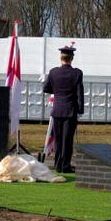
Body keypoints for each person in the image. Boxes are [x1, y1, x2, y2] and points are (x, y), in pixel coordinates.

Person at [42, 43, 84, 173]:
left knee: (58, 140)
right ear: (72, 58)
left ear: (61, 57)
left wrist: (57, 90)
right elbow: (79, 93)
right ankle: (65, 166)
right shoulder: (77, 73)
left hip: (57, 110)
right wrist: (80, 110)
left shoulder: (53, 72)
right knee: (67, 140)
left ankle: (58, 164)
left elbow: (46, 88)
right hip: (70, 111)